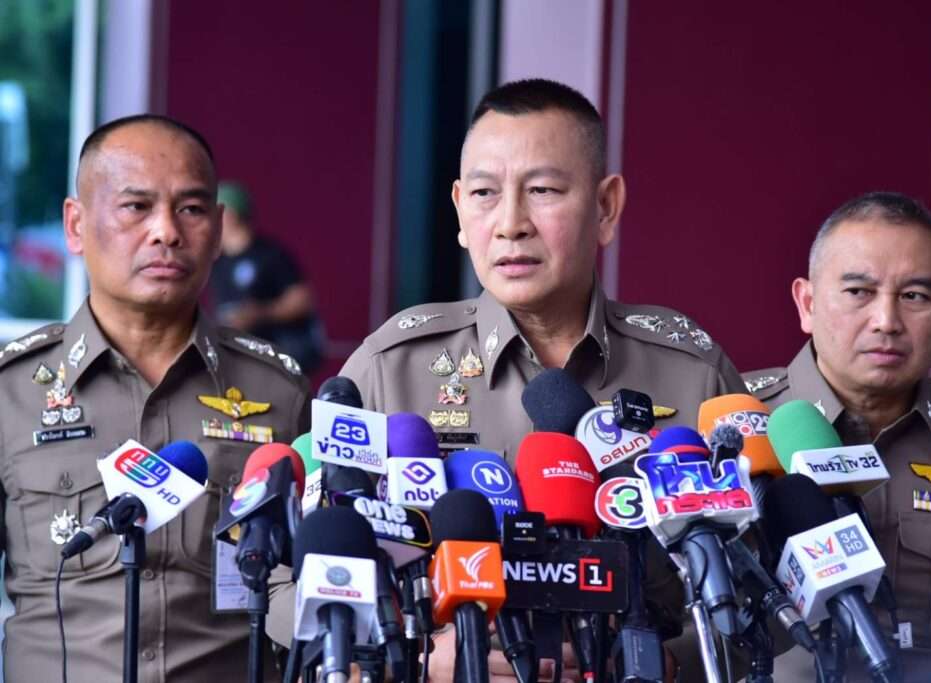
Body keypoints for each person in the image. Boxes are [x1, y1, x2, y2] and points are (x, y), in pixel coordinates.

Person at [266, 79, 748, 680]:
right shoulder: (392, 367)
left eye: (542, 191)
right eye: (485, 193)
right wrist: (416, 659)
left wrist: (665, 666)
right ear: (459, 209)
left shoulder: (691, 373)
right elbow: (284, 586)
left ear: (605, 207)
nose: (511, 223)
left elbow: (768, 596)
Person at [0, 114, 310, 681]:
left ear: (218, 230)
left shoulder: (279, 394)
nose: (166, 231)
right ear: (75, 225)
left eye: (190, 209)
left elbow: (306, 594)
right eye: (136, 207)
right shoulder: (11, 392)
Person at [743, 192, 931, 681]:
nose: (887, 322)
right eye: (859, 291)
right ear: (807, 303)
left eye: (914, 297)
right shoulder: (731, 427)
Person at [208, 181, 324, 374]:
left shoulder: (270, 254)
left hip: (274, 360)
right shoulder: (216, 261)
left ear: (230, 215)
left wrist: (260, 313)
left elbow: (302, 300)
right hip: (237, 359)